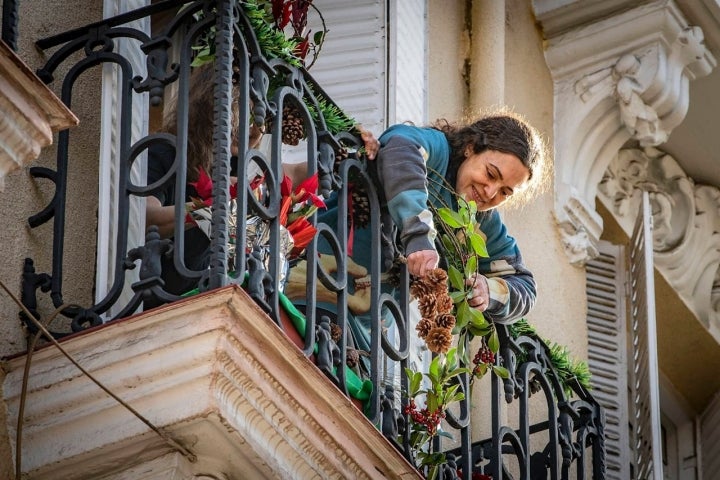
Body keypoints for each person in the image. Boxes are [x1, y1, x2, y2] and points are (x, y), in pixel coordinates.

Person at [285, 111, 548, 364]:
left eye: (505, 192)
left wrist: (489, 291)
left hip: (360, 336)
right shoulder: (438, 150)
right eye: (490, 174)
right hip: (310, 288)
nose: (490, 193)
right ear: (470, 147)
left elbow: (525, 285)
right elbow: (401, 146)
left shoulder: (480, 223)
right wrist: (419, 237)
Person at [145, 65, 379, 305]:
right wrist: (208, 207)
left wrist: (351, 150)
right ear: (211, 110)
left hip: (223, 293)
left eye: (261, 119)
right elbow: (147, 217)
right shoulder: (167, 151)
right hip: (169, 293)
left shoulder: (240, 162)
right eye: (244, 117)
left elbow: (298, 172)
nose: (256, 131)